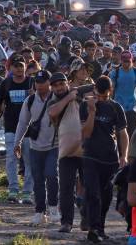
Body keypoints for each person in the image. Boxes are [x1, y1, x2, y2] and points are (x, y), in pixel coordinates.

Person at [80, 76, 128, 243]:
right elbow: (85, 133)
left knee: (106, 196)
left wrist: (124, 155)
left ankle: (99, 226)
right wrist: (92, 111)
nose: (101, 99)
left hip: (110, 158)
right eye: (99, 95)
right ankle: (93, 229)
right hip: (90, 155)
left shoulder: (116, 107)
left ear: (110, 91)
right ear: (94, 90)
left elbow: (122, 133)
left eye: (104, 96)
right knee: (93, 193)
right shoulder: (86, 106)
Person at [14, 70, 59, 224]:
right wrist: (17, 142)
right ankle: (40, 212)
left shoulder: (58, 98)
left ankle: (53, 208)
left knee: (52, 175)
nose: (39, 85)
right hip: (35, 147)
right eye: (37, 82)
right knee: (38, 180)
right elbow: (23, 122)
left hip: (55, 145)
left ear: (50, 83)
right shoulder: (30, 100)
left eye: (43, 82)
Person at [0, 59, 34, 203]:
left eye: (22, 65)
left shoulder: (32, 82)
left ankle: (27, 192)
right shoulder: (6, 84)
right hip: (10, 127)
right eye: (16, 66)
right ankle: (13, 190)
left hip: (29, 129)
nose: (20, 68)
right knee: (11, 159)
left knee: (29, 161)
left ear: (26, 67)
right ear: (11, 68)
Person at [47, 73, 85, 233]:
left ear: (67, 83)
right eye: (55, 85)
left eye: (61, 84)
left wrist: (78, 93)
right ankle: (66, 222)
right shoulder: (54, 101)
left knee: (89, 186)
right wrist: (69, 97)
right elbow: (52, 112)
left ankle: (88, 219)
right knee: (66, 188)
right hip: (66, 152)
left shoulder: (80, 95)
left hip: (86, 150)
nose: (59, 87)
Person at [109, 51, 136, 137]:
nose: (126, 63)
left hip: (132, 106)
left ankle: (130, 149)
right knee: (119, 132)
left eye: (128, 61)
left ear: (131, 61)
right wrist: (109, 104)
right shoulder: (115, 73)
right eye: (124, 61)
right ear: (121, 61)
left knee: (132, 132)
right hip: (118, 106)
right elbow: (111, 90)